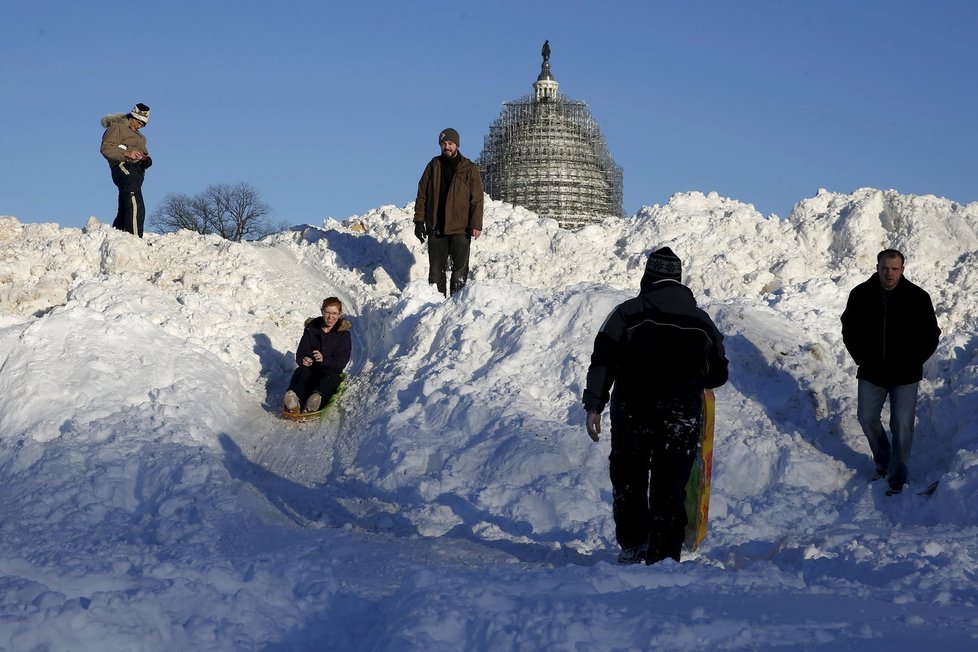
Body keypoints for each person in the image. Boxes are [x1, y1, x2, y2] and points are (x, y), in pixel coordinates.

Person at [582, 247, 728, 565]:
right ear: (678, 281)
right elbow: (719, 374)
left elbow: (603, 359)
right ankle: (663, 554)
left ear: (648, 277)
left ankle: (634, 545)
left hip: (634, 407)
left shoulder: (627, 313)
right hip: (681, 413)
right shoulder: (702, 322)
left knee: (629, 475)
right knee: (671, 481)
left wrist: (595, 404)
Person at [841, 249, 940, 495]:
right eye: (885, 268)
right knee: (866, 417)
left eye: (895, 269)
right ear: (877, 267)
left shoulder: (917, 297)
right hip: (871, 371)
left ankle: (898, 474)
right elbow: (848, 329)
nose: (889, 273)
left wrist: (915, 360)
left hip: (905, 374)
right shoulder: (861, 294)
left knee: (902, 424)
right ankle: (884, 458)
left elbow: (931, 334)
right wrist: (861, 357)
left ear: (902, 270)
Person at [413, 127, 484, 296]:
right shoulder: (433, 165)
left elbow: (477, 199)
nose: (447, 147)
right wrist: (419, 221)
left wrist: (476, 224)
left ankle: (456, 305)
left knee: (459, 270)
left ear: (457, 145)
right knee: (436, 271)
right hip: (437, 227)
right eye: (443, 143)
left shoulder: (468, 168)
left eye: (450, 143)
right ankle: (435, 305)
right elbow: (422, 194)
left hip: (461, 228)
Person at [284, 297, 352, 414]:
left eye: (334, 313)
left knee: (327, 379)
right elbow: (301, 352)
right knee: (302, 372)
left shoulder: (343, 334)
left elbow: (342, 361)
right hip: (311, 369)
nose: (331, 317)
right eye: (327, 312)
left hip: (330, 371)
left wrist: (324, 360)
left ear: (340, 314)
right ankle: (293, 399)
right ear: (322, 311)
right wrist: (304, 359)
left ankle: (315, 401)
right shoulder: (311, 329)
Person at [100, 103, 153, 237]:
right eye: (139, 122)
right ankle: (135, 237)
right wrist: (127, 152)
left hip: (137, 171)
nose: (140, 126)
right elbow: (106, 148)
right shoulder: (117, 127)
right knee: (134, 196)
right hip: (122, 165)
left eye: (143, 124)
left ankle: (119, 234)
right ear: (133, 117)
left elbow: (144, 153)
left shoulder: (141, 138)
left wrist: (145, 160)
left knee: (126, 202)